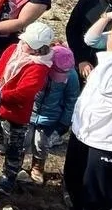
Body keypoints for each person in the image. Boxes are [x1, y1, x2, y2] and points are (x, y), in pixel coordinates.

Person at [53, 18, 112, 210]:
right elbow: (90, 39)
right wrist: (109, 17)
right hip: (83, 134)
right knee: (74, 179)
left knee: (97, 193)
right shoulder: (111, 63)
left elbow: (109, 89)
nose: (110, 41)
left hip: (108, 143)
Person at [0, 21, 56, 194]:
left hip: (16, 113)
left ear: (39, 49)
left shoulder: (40, 66)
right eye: (25, 41)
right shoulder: (13, 49)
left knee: (14, 149)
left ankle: (7, 180)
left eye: (29, 44)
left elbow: (25, 93)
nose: (24, 44)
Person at [25, 43, 79, 184]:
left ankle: (38, 167)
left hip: (50, 117)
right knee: (24, 140)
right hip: (29, 113)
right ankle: (16, 165)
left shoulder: (71, 76)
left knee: (41, 143)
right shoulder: (37, 67)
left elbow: (71, 100)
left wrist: (65, 122)